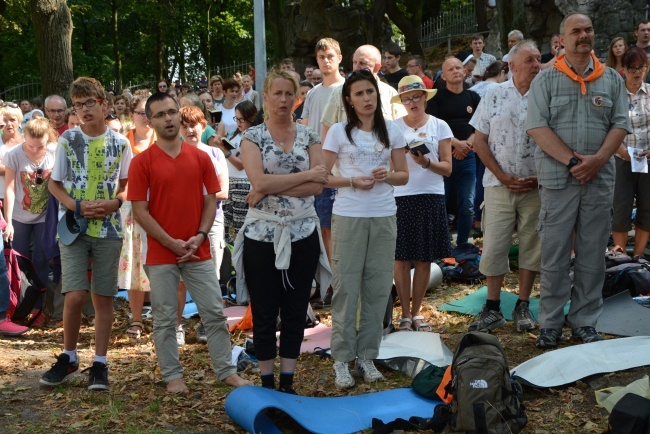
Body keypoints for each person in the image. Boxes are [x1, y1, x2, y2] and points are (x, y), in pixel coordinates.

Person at [128, 92, 251, 394]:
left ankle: (226, 371)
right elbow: (139, 211)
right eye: (160, 114)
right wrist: (170, 242)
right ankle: (172, 376)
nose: (168, 118)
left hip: (198, 249)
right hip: (161, 252)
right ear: (151, 120)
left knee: (213, 311)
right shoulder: (141, 162)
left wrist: (199, 236)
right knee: (166, 317)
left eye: (172, 112)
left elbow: (211, 201)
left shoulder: (202, 156)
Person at [526, 14, 631, 348]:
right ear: (561, 39)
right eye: (576, 31)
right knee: (555, 255)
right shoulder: (544, 81)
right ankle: (551, 323)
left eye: (588, 30)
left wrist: (598, 160)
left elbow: (620, 125)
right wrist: (574, 162)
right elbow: (537, 128)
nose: (583, 36)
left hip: (599, 180)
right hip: (559, 180)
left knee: (591, 254)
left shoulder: (612, 79)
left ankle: (584, 321)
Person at [234, 70, 330, 394]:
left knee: (294, 309)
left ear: (297, 97)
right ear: (265, 97)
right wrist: (296, 179)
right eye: (277, 93)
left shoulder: (310, 136)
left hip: (303, 233)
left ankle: (286, 383)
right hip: (262, 236)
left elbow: (318, 186)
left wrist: (270, 186)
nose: (284, 99)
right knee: (264, 311)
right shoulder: (252, 137)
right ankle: (265, 382)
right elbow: (257, 182)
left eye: (289, 93)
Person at [41, 76, 132, 390]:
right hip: (74, 227)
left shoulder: (121, 143)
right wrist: (75, 205)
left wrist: (114, 203)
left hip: (109, 227)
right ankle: (69, 356)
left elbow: (127, 184)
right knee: (75, 294)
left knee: (103, 297)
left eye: (89, 103)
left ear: (104, 104)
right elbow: (54, 183)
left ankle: (100, 363)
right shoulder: (68, 139)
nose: (84, 110)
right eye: (78, 105)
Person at [322, 69, 408, 389]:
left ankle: (367, 356)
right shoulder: (338, 133)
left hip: (384, 216)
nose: (366, 98)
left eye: (370, 92)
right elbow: (322, 176)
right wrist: (351, 181)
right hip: (349, 216)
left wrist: (388, 175)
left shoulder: (393, 131)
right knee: (346, 288)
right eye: (359, 94)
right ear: (349, 100)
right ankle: (342, 360)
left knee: (378, 287)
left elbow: (404, 175)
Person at [468, 40, 542, 333]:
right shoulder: (494, 94)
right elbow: (479, 140)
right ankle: (493, 307)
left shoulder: (544, 96)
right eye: (530, 61)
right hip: (498, 185)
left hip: (535, 186)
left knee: (531, 246)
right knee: (495, 246)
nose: (537, 65)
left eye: (538, 60)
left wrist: (541, 177)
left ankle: (523, 305)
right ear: (512, 66)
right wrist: (501, 175)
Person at [391, 76, 452, 332]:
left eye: (417, 96)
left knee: (424, 258)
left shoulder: (440, 126)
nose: (412, 102)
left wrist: (425, 162)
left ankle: (416, 313)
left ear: (425, 97)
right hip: (400, 196)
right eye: (407, 98)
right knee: (401, 259)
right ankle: (404, 314)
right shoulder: (392, 127)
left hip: (430, 194)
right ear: (401, 102)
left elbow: (448, 168)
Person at [179, 105, 229, 344]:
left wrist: (193, 196)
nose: (190, 130)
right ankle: (176, 325)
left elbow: (223, 191)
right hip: (180, 221)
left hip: (213, 221)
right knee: (179, 277)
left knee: (212, 274)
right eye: (185, 125)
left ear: (203, 125)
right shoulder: (173, 154)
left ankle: (206, 323)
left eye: (194, 124)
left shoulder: (215, 153)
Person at [302, 38, 346, 307]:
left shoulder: (348, 89)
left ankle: (341, 282)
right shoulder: (312, 93)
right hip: (317, 171)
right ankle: (331, 283)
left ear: (340, 57)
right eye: (321, 57)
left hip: (343, 170)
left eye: (330, 55)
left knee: (341, 228)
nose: (325, 61)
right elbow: (306, 130)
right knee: (325, 229)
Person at [3, 117, 57, 323]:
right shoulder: (14, 155)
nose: (35, 150)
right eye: (30, 145)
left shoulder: (55, 151)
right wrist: (8, 221)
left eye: (40, 146)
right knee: (19, 262)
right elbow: (8, 188)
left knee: (41, 261)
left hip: (44, 217)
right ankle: (18, 307)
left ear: (48, 140)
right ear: (23, 137)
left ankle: (39, 309)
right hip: (19, 215)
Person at [426, 57, 481, 247]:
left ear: (465, 72)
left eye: (459, 68)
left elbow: (480, 126)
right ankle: (441, 243)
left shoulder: (473, 97)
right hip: (443, 157)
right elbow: (433, 127)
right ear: (443, 76)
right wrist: (456, 144)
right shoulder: (436, 99)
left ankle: (464, 243)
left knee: (467, 203)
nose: (456, 71)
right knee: (440, 202)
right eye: (450, 69)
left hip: (468, 155)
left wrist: (467, 145)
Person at [119, 95, 155, 340]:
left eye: (148, 112)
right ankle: (136, 319)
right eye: (141, 112)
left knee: (159, 264)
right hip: (130, 210)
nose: (145, 117)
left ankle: (164, 317)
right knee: (134, 265)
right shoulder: (123, 142)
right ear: (131, 115)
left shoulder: (163, 140)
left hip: (159, 209)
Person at [321, 44, 407, 141]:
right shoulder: (339, 92)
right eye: (354, 62)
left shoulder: (390, 93)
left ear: (377, 67)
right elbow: (326, 132)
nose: (357, 67)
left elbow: (402, 130)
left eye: (362, 63)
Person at [612, 46, 650, 259]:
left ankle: (638, 256)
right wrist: (621, 150)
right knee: (621, 208)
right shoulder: (616, 95)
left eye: (641, 67)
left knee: (647, 208)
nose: (637, 72)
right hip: (623, 159)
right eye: (632, 68)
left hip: (648, 160)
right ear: (623, 69)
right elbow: (609, 126)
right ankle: (620, 257)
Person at [214, 100, 257, 244]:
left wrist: (226, 152)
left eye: (241, 119)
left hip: (243, 184)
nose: (238, 122)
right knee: (224, 227)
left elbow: (241, 165)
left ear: (251, 118)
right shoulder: (233, 134)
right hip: (227, 183)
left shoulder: (253, 136)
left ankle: (240, 261)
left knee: (240, 228)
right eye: (236, 119)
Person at [0, 104, 24, 207]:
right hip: (1, 196)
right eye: (4, 120)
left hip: (25, 196)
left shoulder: (27, 140)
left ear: (19, 121)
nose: (8, 124)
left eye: (12, 120)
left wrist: (6, 166)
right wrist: (21, 167)